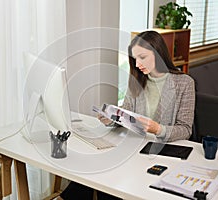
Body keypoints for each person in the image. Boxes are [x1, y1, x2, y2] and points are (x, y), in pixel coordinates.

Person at [56, 30, 195, 200]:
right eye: (134, 59)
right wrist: (111, 118)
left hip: (159, 152)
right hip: (133, 146)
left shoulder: (184, 83)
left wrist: (158, 129)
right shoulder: (137, 79)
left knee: (108, 180)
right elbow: (127, 114)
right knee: (95, 170)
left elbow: (186, 129)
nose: (137, 64)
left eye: (142, 57)